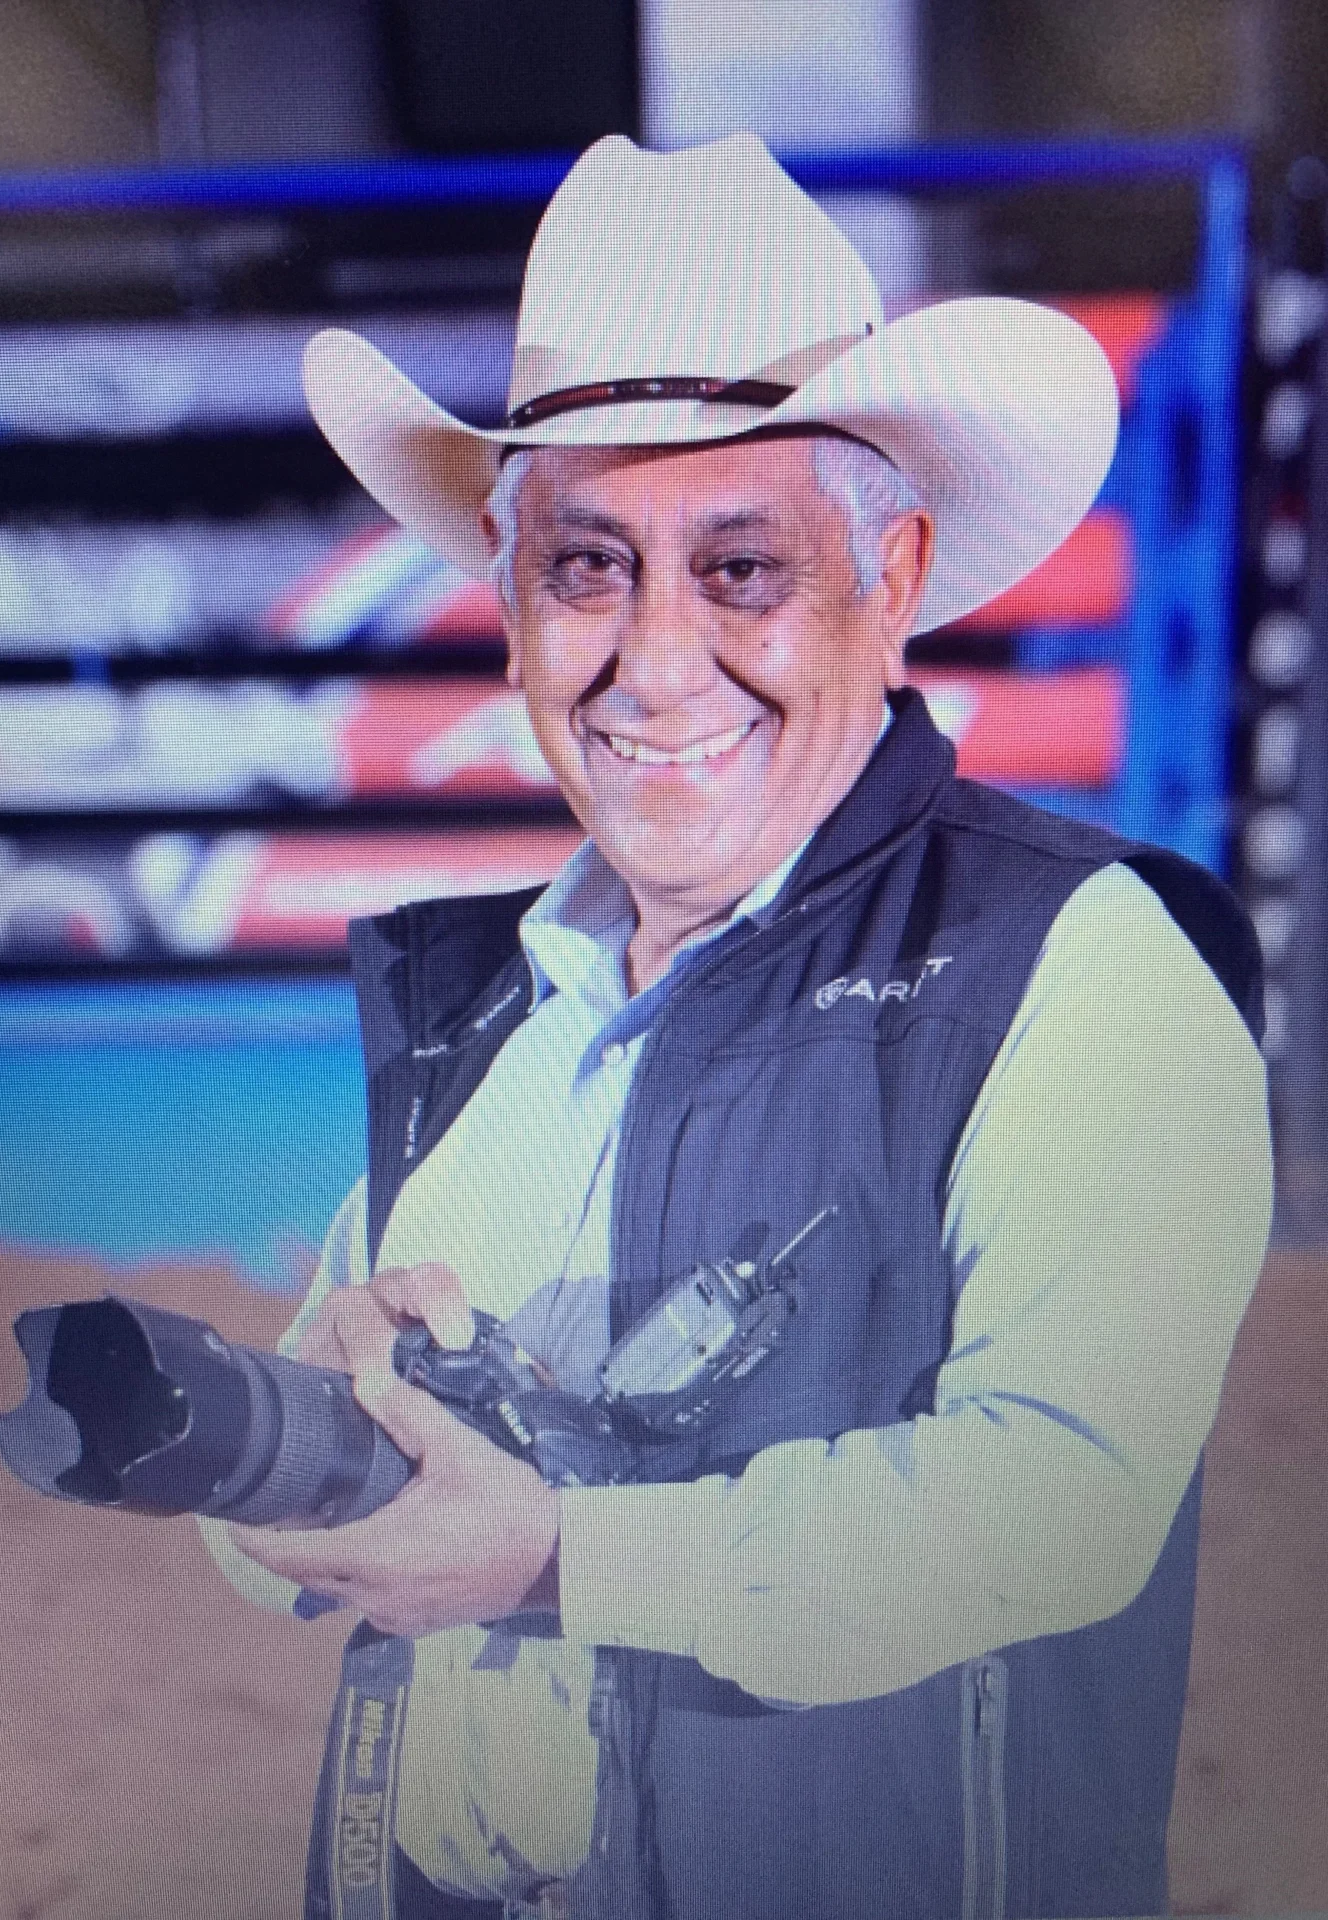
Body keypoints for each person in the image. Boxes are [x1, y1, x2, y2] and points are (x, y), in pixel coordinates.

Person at [202, 134, 1273, 1920]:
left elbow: (1052, 1508)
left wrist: (554, 1554)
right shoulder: (478, 1018)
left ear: (898, 573)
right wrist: (291, 1433)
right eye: (590, 566)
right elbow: (309, 1556)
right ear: (509, 593)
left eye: (744, 568)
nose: (660, 658)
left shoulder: (1089, 967)